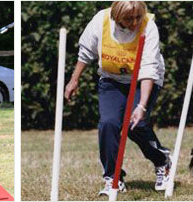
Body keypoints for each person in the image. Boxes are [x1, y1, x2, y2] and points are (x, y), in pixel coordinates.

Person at [64, 1, 171, 196]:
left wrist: (141, 106)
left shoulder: (149, 26)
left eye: (138, 17)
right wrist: (74, 79)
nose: (135, 22)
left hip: (143, 80)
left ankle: (162, 162)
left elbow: (149, 68)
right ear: (116, 16)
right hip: (112, 80)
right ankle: (112, 177)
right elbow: (86, 52)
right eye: (129, 18)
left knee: (136, 124)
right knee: (109, 123)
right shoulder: (101, 21)